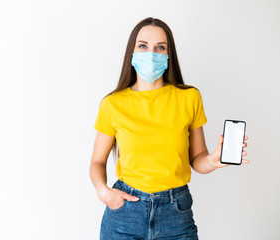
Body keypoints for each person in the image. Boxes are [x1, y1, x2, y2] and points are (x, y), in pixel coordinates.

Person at [89, 17, 250, 239]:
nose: (151, 53)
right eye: (143, 46)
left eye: (160, 47)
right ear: (132, 52)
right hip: (125, 213)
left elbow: (197, 159)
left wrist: (213, 160)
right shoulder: (113, 104)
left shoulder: (189, 98)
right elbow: (97, 162)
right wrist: (103, 192)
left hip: (175, 214)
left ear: (168, 55)